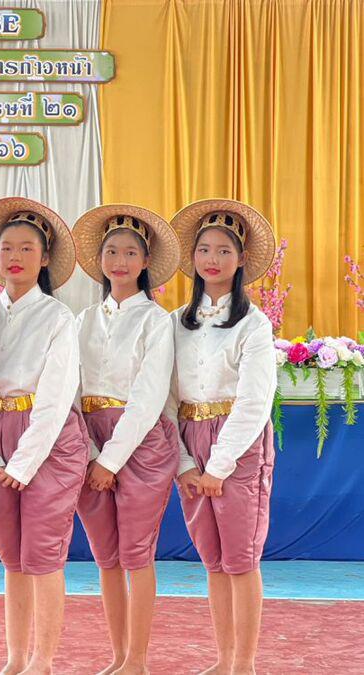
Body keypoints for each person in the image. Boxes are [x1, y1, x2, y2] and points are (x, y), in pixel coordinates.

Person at [0, 197, 90, 675]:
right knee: (12, 557)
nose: (14, 256)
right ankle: (15, 657)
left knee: (42, 554)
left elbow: (56, 399)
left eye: (26, 248)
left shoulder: (58, 318)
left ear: (44, 258)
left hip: (48, 442)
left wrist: (23, 463)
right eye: (7, 248)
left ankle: (43, 660)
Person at [71, 205, 182, 675]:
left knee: (136, 553)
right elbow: (70, 389)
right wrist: (91, 453)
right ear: (99, 259)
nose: (120, 261)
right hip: (89, 440)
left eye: (131, 253)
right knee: (106, 557)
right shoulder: (82, 319)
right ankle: (117, 657)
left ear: (145, 262)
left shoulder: (156, 321)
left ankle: (137, 660)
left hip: (141, 444)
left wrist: (110, 461)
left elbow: (149, 397)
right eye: (112, 251)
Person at [169, 199, 277, 675]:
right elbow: (166, 396)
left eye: (224, 250)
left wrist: (219, 465)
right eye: (204, 249)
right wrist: (184, 462)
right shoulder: (176, 322)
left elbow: (255, 401)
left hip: (237, 442)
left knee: (240, 558)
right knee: (212, 559)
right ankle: (223, 659)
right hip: (189, 438)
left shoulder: (254, 324)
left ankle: (244, 664)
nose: (212, 259)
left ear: (241, 259)